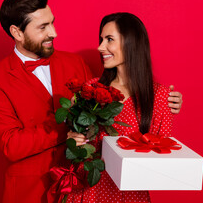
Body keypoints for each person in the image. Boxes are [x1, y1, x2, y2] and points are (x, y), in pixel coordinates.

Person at [0, 0, 182, 203]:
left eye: (52, 22)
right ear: (17, 33)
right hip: (32, 190)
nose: (54, 33)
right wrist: (67, 122)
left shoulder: (75, 63)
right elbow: (11, 145)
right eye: (43, 27)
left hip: (85, 186)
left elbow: (110, 104)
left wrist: (164, 101)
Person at [67, 12, 179, 203]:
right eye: (101, 39)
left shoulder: (160, 97)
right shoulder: (90, 90)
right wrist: (72, 140)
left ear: (131, 43)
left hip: (131, 195)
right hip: (89, 192)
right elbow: (75, 147)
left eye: (109, 39)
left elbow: (161, 160)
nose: (100, 47)